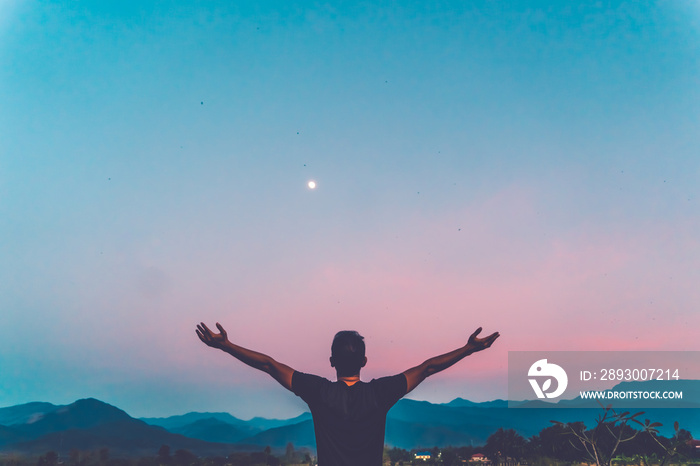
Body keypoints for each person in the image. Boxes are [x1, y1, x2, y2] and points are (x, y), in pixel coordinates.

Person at [196, 322, 499, 466]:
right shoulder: (381, 392)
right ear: (365, 362)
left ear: (331, 361)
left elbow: (268, 364)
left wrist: (225, 345)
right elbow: (429, 367)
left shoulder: (318, 391)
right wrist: (469, 349)